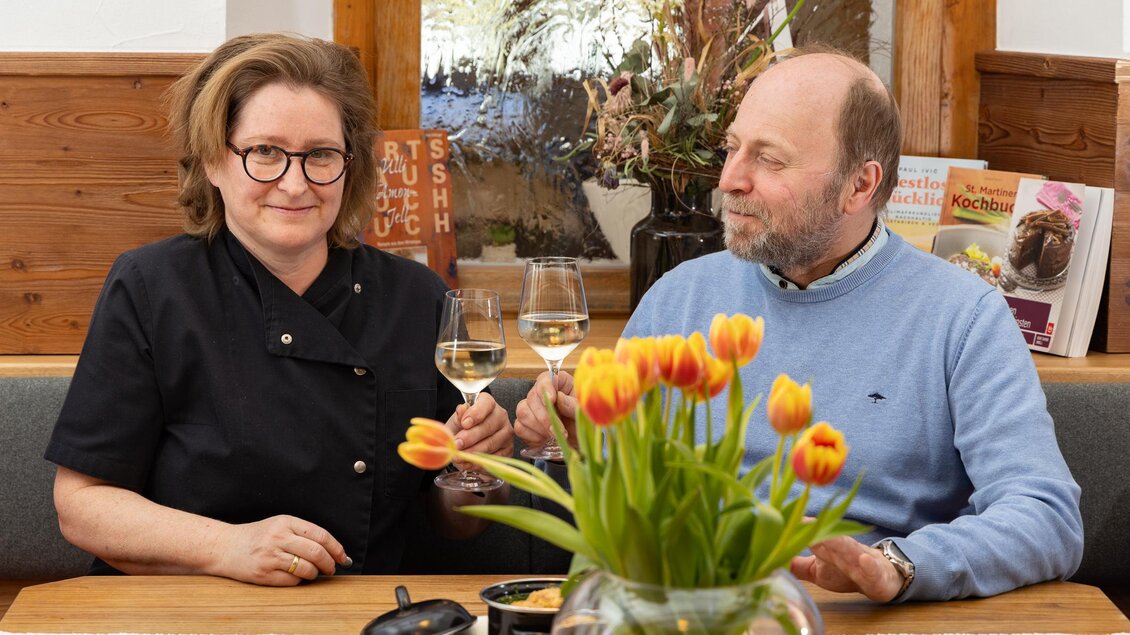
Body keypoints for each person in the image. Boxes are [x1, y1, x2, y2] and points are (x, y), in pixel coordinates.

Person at [514, 48, 1083, 602]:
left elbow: (1046, 516)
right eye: (733, 148)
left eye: (770, 159)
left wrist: (899, 566)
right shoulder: (680, 296)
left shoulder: (964, 316)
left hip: (850, 617)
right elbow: (620, 483)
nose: (730, 179)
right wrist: (575, 435)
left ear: (859, 186)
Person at [45, 33, 513, 586]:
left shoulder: (418, 299)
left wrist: (477, 476)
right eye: (265, 151)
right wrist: (227, 547)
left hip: (355, 614)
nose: (295, 184)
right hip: (179, 607)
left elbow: (451, 526)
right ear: (214, 162)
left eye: (320, 154)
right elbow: (81, 504)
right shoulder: (153, 286)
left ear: (349, 165)